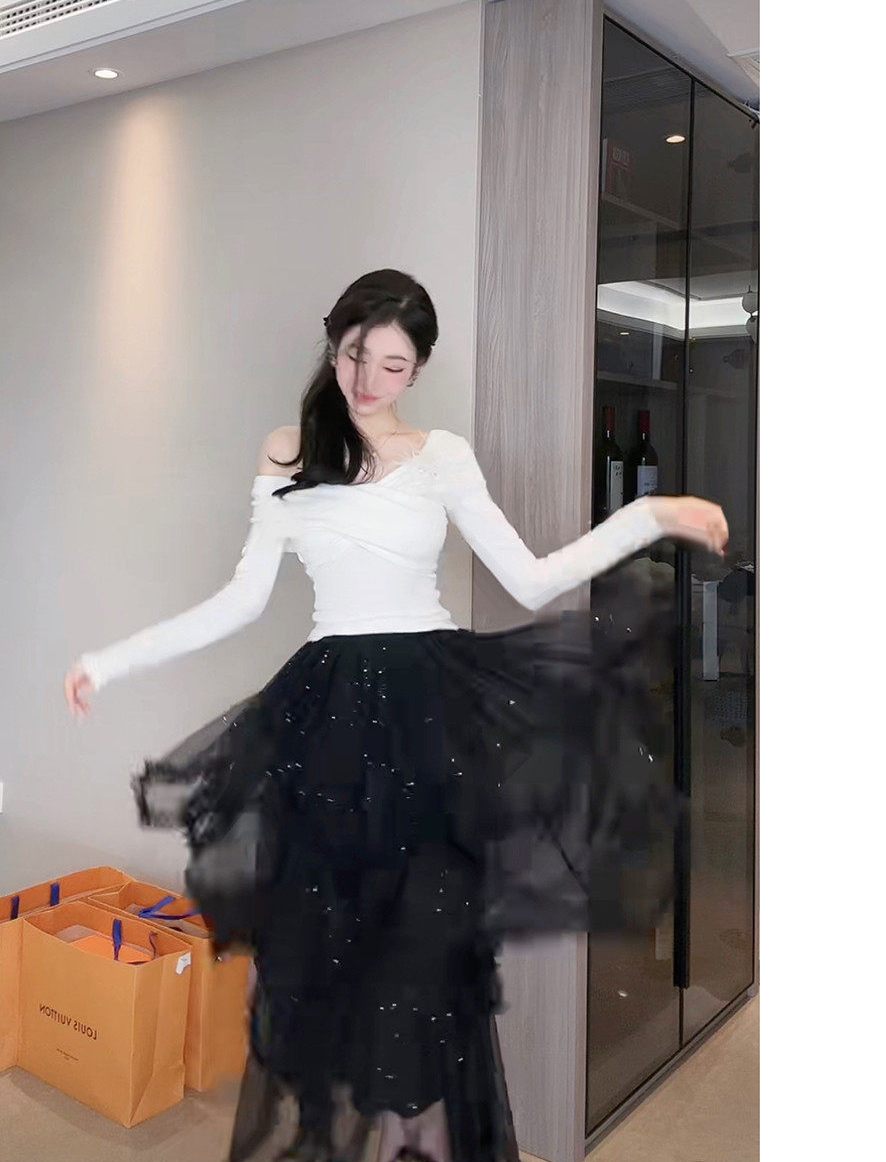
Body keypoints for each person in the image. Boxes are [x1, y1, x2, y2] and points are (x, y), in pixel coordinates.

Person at [64, 269, 728, 1162]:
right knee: (335, 973)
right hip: (329, 722)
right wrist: (109, 662)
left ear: (418, 370)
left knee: (429, 972)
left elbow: (531, 579)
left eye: (392, 365)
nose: (367, 380)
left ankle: (428, 1143)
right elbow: (239, 602)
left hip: (430, 720)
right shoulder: (288, 453)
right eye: (354, 356)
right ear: (333, 344)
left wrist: (650, 515)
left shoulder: (442, 455)